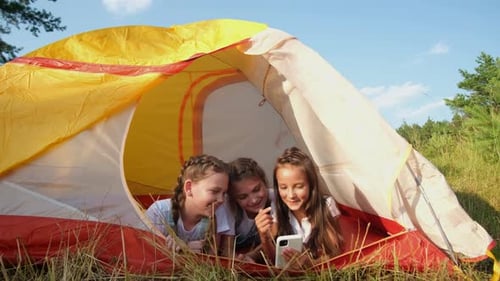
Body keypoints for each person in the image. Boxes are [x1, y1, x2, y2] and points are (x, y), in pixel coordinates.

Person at [255, 146, 343, 269]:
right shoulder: (278, 208)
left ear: (311, 184)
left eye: (299, 186)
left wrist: (309, 263)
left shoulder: (325, 205)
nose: (291, 195)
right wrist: (263, 236)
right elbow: (273, 258)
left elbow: (335, 253)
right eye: (283, 187)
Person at [145, 154, 233, 256]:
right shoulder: (159, 212)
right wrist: (180, 250)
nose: (221, 199)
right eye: (214, 191)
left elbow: (212, 260)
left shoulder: (216, 213)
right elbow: (145, 254)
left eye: (224, 193)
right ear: (189, 188)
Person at [227, 157, 275, 263]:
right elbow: (226, 249)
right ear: (233, 198)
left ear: (264, 182)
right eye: (243, 197)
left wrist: (251, 256)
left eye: (256, 189)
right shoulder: (229, 207)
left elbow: (273, 239)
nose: (253, 200)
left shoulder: (274, 199)